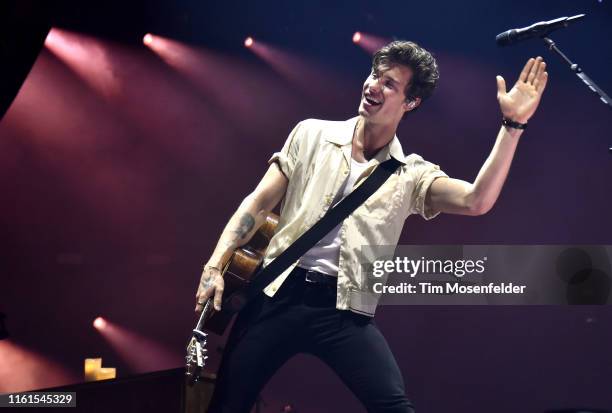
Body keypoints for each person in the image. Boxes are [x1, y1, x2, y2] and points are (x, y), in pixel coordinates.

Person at [195, 40, 548, 412]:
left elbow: (477, 200)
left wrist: (513, 125)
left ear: (410, 102)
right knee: (227, 406)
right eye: (374, 75)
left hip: (343, 310)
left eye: (389, 84)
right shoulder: (313, 134)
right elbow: (258, 201)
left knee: (394, 407)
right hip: (276, 296)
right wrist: (215, 264)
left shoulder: (410, 174)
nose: (373, 86)